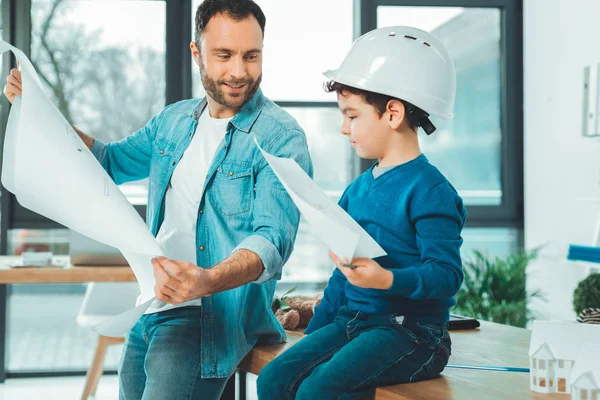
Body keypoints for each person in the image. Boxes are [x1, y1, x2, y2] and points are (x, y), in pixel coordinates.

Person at [4, 1, 312, 399]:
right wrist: (41, 112)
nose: (239, 71)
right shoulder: (174, 120)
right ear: (196, 53)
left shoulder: (281, 137)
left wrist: (207, 281)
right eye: (224, 55)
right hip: (150, 308)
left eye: (251, 56)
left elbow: (272, 240)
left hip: (207, 319)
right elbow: (107, 162)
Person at [256, 26, 466, 399]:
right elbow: (343, 277)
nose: (343, 128)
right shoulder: (356, 190)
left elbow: (446, 275)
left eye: (352, 116)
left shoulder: (431, 191)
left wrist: (386, 280)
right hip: (353, 321)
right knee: (273, 379)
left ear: (393, 114)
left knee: (318, 390)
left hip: (413, 334)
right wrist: (313, 337)